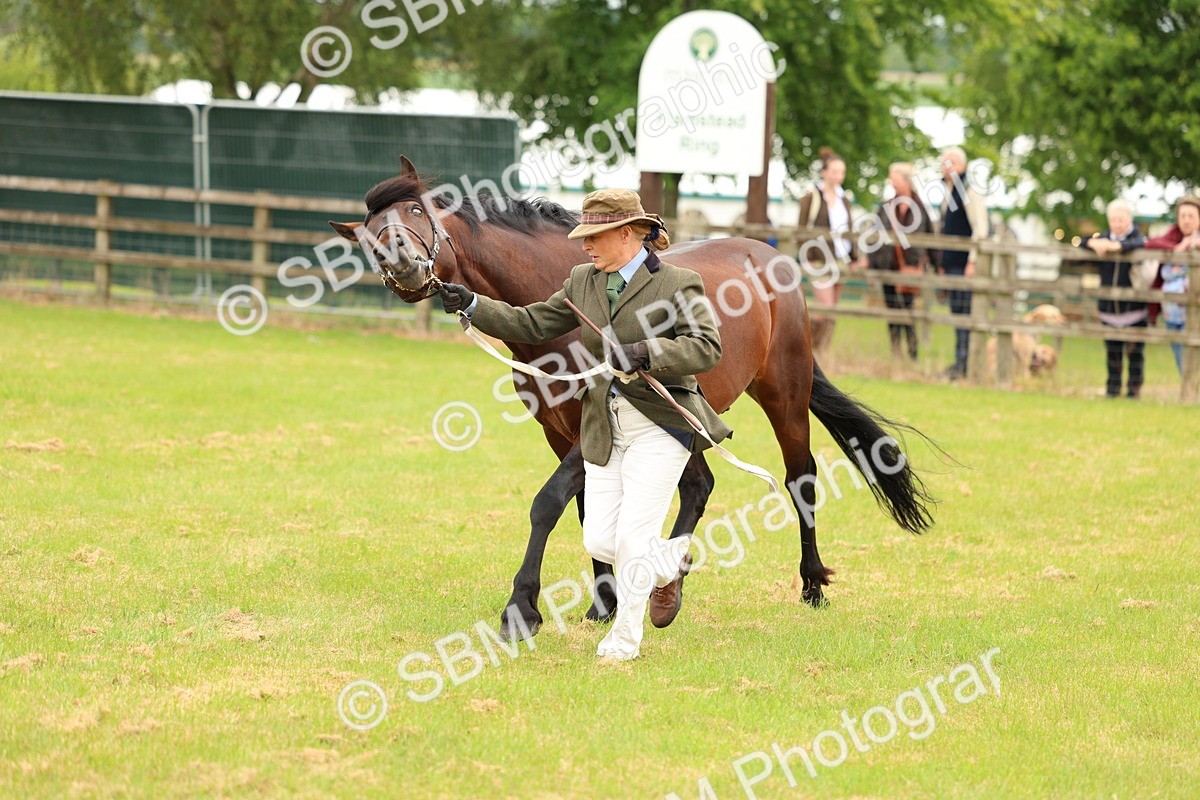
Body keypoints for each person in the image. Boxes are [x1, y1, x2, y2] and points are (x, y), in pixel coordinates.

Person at [438, 189, 731, 662]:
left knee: (633, 537)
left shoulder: (680, 282)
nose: (586, 245)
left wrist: (645, 354)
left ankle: (622, 642)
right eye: (584, 237)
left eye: (594, 237)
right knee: (599, 538)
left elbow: (707, 348)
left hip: (661, 421)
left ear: (628, 234)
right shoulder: (582, 280)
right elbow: (533, 323)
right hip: (603, 422)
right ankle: (671, 558)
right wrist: (473, 305)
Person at [796, 148, 868, 362]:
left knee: (832, 311)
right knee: (823, 308)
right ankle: (809, 350)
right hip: (819, 259)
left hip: (841, 259)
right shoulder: (812, 197)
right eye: (835, 171)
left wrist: (855, 257)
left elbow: (849, 229)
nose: (838, 176)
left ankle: (823, 353)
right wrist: (806, 254)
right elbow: (801, 228)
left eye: (842, 172)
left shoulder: (844, 198)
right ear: (825, 172)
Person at [1081, 199, 1147, 398]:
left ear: (1129, 220)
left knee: (1135, 353)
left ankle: (1133, 391)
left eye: (1121, 219)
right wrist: (1093, 242)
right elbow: (1082, 241)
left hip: (1134, 307)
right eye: (1113, 220)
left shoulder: (1137, 238)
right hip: (1109, 307)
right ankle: (1113, 389)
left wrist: (1116, 247)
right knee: (1112, 352)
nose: (1117, 224)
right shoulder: (1104, 237)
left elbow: (1138, 244)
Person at [869, 163, 934, 361]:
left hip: (910, 269)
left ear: (906, 181)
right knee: (892, 312)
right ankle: (895, 353)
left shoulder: (920, 208)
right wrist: (872, 263)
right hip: (889, 266)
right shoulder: (885, 207)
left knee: (907, 312)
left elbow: (930, 236)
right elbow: (875, 237)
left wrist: (934, 264)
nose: (892, 183)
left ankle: (912, 354)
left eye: (895, 179)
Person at [935, 147, 989, 380]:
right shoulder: (949, 190)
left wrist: (973, 261)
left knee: (965, 313)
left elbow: (980, 228)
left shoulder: (969, 190)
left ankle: (964, 364)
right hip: (951, 263)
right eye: (943, 162)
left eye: (950, 162)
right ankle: (960, 363)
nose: (945, 166)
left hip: (963, 263)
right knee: (957, 312)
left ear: (961, 165)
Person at [1146, 195, 1200, 374]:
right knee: (1179, 356)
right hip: (1171, 311)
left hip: (1195, 309)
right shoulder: (1173, 237)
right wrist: (1176, 249)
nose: (1186, 220)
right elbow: (1151, 244)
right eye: (1183, 216)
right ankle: (1189, 395)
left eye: (1191, 216)